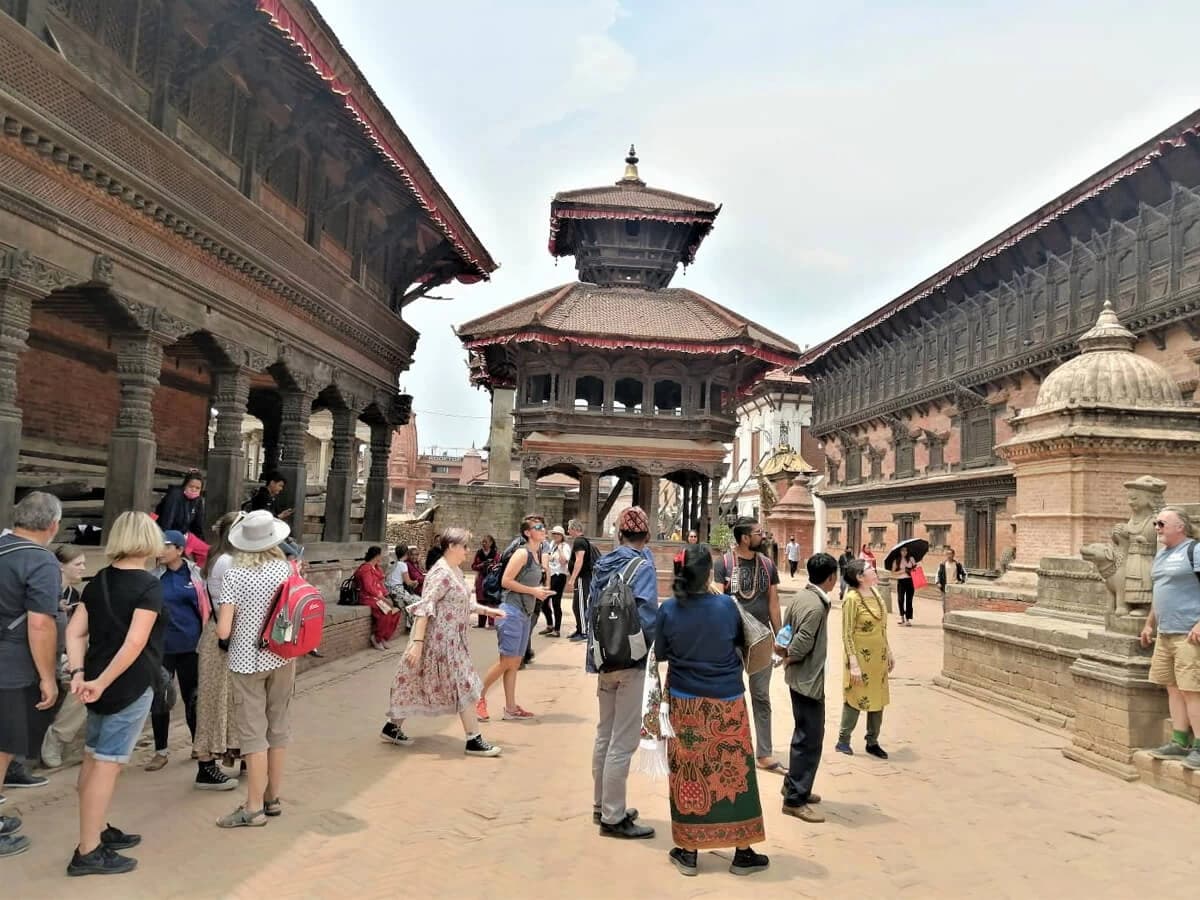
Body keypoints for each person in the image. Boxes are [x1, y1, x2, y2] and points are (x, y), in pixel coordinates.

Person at [654, 543, 768, 877]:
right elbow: (740, 641)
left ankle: (688, 851)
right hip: (727, 702)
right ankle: (743, 851)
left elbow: (659, 652)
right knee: (734, 774)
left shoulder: (669, 610)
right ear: (708, 574)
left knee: (689, 773)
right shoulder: (727, 606)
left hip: (685, 704)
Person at [64, 511, 167, 876]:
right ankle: (88, 850)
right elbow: (135, 642)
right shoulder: (148, 585)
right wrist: (102, 681)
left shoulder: (100, 581)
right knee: (107, 764)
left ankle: (96, 830)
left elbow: (75, 632)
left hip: (96, 680)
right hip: (127, 683)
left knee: (93, 759)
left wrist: (80, 673)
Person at [381, 528, 506, 756]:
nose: (468, 551)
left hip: (453, 640)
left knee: (415, 681)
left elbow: (460, 603)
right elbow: (425, 607)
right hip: (438, 642)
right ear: (451, 547)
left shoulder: (455, 571)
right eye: (465, 546)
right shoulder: (440, 572)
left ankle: (392, 727)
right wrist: (418, 643)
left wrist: (487, 610)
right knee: (463, 683)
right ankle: (473, 739)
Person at [214, 510, 297, 828]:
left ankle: (253, 807)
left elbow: (223, 631)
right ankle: (272, 798)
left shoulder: (235, 574)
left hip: (246, 661)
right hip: (282, 656)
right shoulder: (286, 570)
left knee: (252, 734)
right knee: (277, 727)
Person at [588, 506, 659, 840]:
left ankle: (602, 804)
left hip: (603, 658)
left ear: (618, 535)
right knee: (624, 739)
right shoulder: (643, 565)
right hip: (630, 662)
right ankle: (614, 817)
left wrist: (600, 653)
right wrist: (645, 650)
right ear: (646, 536)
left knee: (604, 733)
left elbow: (590, 611)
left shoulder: (602, 563)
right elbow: (647, 616)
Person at [0, 492, 62, 859]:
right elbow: (40, 624)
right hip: (10, 663)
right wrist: (48, 676)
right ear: (53, 525)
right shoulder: (40, 562)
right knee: (3, 742)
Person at [713, 518, 783, 774]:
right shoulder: (724, 564)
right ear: (744, 538)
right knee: (731, 695)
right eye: (758, 533)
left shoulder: (767, 565)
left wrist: (782, 637)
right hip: (732, 641)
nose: (762, 536)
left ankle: (764, 752)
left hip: (762, 640)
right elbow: (719, 602)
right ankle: (730, 745)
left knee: (761, 696)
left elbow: (773, 603)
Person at [145, 530, 212, 777]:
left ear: (180, 549)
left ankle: (198, 744)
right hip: (161, 647)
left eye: (167, 546)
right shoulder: (153, 577)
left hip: (191, 645)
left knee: (193, 696)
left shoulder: (196, 574)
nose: (161, 550)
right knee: (160, 697)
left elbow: (205, 609)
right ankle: (161, 751)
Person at [780, 552, 839, 824]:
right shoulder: (815, 606)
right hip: (807, 680)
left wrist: (786, 655)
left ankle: (794, 784)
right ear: (831, 578)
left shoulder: (802, 596)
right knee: (810, 739)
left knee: (803, 733)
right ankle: (795, 799)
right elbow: (802, 640)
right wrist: (791, 656)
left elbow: (786, 628)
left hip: (798, 678)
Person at [476, 517, 553, 722]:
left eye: (543, 526)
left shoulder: (536, 555)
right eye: (537, 527)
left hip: (524, 613)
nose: (543, 529)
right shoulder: (522, 553)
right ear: (527, 533)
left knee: (514, 662)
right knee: (506, 661)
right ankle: (477, 696)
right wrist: (533, 591)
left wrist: (539, 592)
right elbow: (506, 581)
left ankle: (510, 708)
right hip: (511, 611)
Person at [1142, 507, 1200, 769]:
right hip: (1165, 633)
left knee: (1192, 690)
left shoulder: (1194, 550)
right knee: (1173, 687)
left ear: (1181, 527)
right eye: (1156, 523)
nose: (1157, 527)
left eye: (1162, 523)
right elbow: (1160, 591)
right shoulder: (1161, 555)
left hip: (1189, 633)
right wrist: (1149, 624)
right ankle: (1180, 741)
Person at [192, 512, 240, 787]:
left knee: (229, 698)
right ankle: (206, 763)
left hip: (222, 634)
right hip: (223, 636)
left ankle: (234, 750)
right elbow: (231, 606)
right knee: (215, 700)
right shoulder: (226, 562)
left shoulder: (220, 559)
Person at [836, 560, 894, 758]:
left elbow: (882, 627)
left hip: (878, 658)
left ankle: (873, 741)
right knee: (856, 696)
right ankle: (843, 740)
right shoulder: (851, 599)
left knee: (877, 697)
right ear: (860, 577)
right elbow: (847, 634)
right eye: (870, 569)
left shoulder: (877, 594)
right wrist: (853, 664)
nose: (874, 571)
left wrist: (889, 651)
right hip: (858, 657)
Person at [40, 546, 89, 769]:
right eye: (77, 564)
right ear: (61, 566)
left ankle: (58, 736)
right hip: (40, 650)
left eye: (83, 564)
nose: (83, 569)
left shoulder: (75, 595)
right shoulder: (44, 589)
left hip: (63, 652)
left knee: (84, 684)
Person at [154, 470, 208, 563]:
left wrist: (201, 542)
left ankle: (199, 574)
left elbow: (197, 525)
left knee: (206, 550)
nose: (194, 490)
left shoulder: (198, 500)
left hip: (185, 535)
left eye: (197, 488)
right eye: (191, 486)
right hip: (169, 534)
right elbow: (166, 522)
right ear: (185, 485)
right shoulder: (174, 496)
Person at [356, 546, 402, 651]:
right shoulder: (366, 569)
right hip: (367, 597)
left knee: (396, 611)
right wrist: (383, 599)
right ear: (377, 556)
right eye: (380, 555)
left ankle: (384, 637)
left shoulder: (376, 568)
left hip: (378, 597)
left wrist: (388, 596)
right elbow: (369, 587)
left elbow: (380, 585)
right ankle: (377, 638)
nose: (381, 557)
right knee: (386, 612)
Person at [565, 520, 594, 642]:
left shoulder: (579, 541)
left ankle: (583, 631)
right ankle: (579, 628)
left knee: (581, 605)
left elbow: (579, 560)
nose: (568, 531)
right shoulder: (582, 541)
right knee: (576, 605)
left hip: (582, 577)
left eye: (569, 529)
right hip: (582, 577)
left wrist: (572, 579)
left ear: (574, 529)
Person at [538, 526, 569, 638]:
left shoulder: (565, 546)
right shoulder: (551, 544)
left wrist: (560, 549)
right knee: (543, 602)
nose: (555, 536)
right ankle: (550, 625)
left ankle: (557, 629)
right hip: (549, 576)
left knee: (556, 603)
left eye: (558, 534)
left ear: (562, 536)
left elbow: (564, 561)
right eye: (554, 534)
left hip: (559, 576)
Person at [471, 535, 498, 629]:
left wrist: (491, 566)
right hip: (480, 579)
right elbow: (473, 566)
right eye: (482, 542)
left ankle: (491, 623)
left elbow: (499, 566)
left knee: (491, 600)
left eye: (486, 542)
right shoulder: (479, 553)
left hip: (491, 580)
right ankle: (481, 623)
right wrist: (481, 565)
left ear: (491, 543)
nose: (483, 544)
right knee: (480, 600)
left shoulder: (495, 554)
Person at [891, 545, 916, 627]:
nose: (904, 552)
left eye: (905, 551)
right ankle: (902, 617)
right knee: (900, 599)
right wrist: (903, 570)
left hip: (910, 581)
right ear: (900, 552)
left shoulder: (911, 559)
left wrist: (911, 569)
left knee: (909, 600)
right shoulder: (896, 561)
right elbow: (893, 573)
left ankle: (908, 619)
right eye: (902, 551)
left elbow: (916, 569)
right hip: (901, 581)